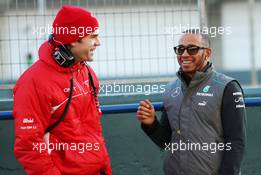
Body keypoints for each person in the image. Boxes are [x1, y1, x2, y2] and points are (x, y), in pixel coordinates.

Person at [13, 5, 112, 175]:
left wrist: (105, 168)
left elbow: (94, 129)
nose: (98, 42)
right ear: (74, 39)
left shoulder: (86, 72)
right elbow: (28, 146)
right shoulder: (33, 82)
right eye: (93, 36)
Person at [137, 29, 246, 175]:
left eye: (192, 49)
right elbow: (166, 142)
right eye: (180, 49)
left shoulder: (227, 87)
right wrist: (151, 124)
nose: (184, 54)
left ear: (207, 53)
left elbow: (236, 142)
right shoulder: (170, 89)